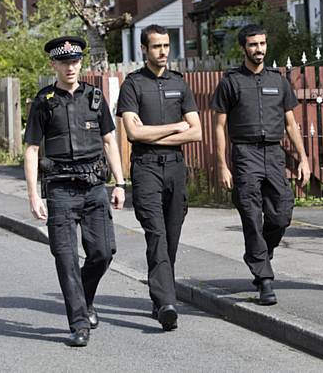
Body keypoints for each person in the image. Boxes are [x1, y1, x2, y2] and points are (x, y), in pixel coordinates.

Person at [24, 36, 126, 346]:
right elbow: (31, 149)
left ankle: (84, 296)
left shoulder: (95, 98)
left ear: (81, 63)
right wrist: (33, 195)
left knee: (103, 252)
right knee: (66, 258)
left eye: (75, 61)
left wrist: (120, 184)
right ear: (53, 64)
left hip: (95, 187)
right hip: (60, 191)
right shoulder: (44, 101)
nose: (70, 67)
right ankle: (79, 323)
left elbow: (110, 141)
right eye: (64, 62)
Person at [211, 24, 310, 305]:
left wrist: (303, 158)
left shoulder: (278, 81)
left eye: (263, 44)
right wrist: (222, 165)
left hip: (274, 154)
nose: (259, 49)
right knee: (252, 217)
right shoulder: (231, 82)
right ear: (243, 47)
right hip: (244, 154)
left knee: (281, 214)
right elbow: (219, 126)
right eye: (253, 44)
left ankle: (260, 254)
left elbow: (291, 123)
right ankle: (264, 279)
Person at [116, 24, 201, 331]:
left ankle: (158, 295)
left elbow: (197, 131)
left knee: (172, 238)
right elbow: (133, 132)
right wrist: (174, 128)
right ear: (144, 50)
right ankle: (167, 303)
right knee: (156, 235)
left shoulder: (180, 83)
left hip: (176, 169)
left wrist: (156, 134)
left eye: (166, 45)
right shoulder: (133, 85)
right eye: (156, 46)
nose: (163, 51)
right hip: (146, 168)